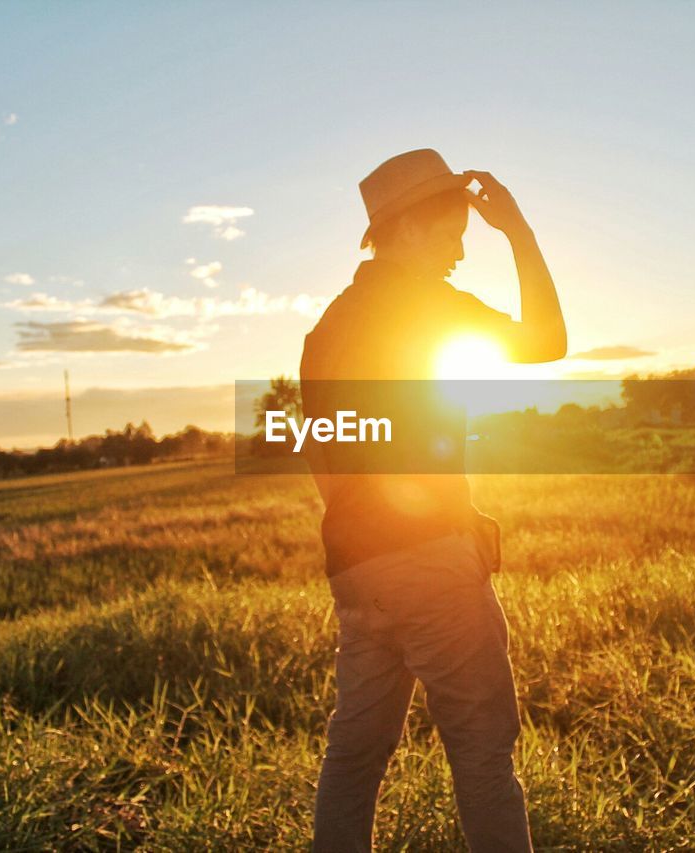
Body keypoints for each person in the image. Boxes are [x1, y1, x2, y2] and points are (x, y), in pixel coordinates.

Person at [301, 148, 566, 852]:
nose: (457, 252)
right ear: (411, 227)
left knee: (354, 758)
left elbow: (327, 461)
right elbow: (547, 340)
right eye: (452, 233)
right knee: (482, 755)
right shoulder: (425, 303)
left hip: (356, 573)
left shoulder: (325, 330)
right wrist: (517, 232)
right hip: (430, 568)